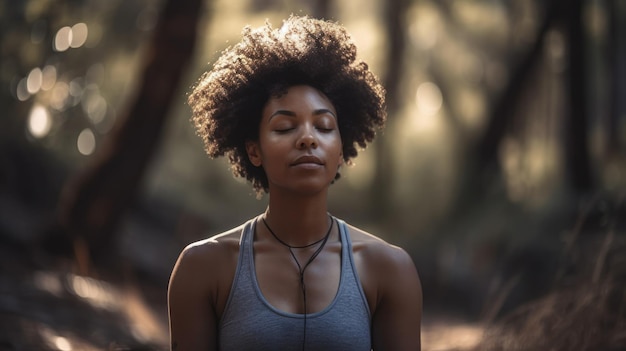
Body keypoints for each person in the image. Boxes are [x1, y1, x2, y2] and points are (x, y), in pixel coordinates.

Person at [167, 15, 422, 351]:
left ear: (342, 150)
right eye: (285, 127)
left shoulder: (389, 269)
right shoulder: (203, 268)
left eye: (324, 126)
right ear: (254, 150)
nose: (307, 139)